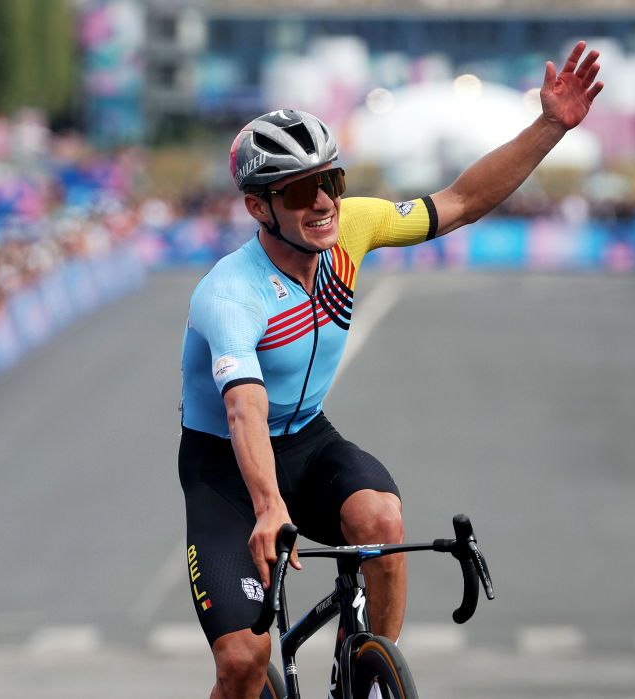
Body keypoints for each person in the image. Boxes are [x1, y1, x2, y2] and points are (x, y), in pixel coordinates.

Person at [178, 41, 603, 699]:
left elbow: (460, 200)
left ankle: (370, 675)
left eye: (332, 181)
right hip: (228, 471)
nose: (322, 202)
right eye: (298, 190)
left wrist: (549, 125)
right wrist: (269, 506)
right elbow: (243, 408)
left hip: (309, 438)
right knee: (242, 660)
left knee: (383, 520)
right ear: (259, 207)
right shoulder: (229, 294)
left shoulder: (353, 227)